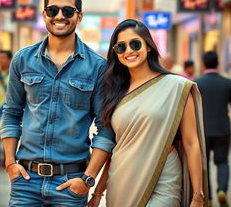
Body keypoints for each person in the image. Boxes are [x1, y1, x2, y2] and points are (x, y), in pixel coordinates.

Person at [0, 0, 115, 206]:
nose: (59, 16)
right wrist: (10, 162)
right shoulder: (22, 60)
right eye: (53, 10)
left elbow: (105, 127)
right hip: (26, 182)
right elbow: (11, 113)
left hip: (71, 184)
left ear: (78, 17)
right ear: (44, 14)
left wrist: (87, 179)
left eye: (67, 11)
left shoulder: (98, 66)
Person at [88, 19, 208, 207]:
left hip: (163, 175)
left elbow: (191, 142)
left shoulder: (176, 87)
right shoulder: (115, 91)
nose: (128, 51)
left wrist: (197, 195)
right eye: (121, 47)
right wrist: (97, 192)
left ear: (149, 46)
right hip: (122, 178)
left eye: (135, 44)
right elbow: (116, 146)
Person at [194, 51, 231, 207]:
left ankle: (207, 197)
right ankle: (221, 190)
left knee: (205, 164)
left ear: (203, 64)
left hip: (203, 131)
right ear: (217, 64)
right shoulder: (227, 83)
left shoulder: (197, 83)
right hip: (223, 129)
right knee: (222, 161)